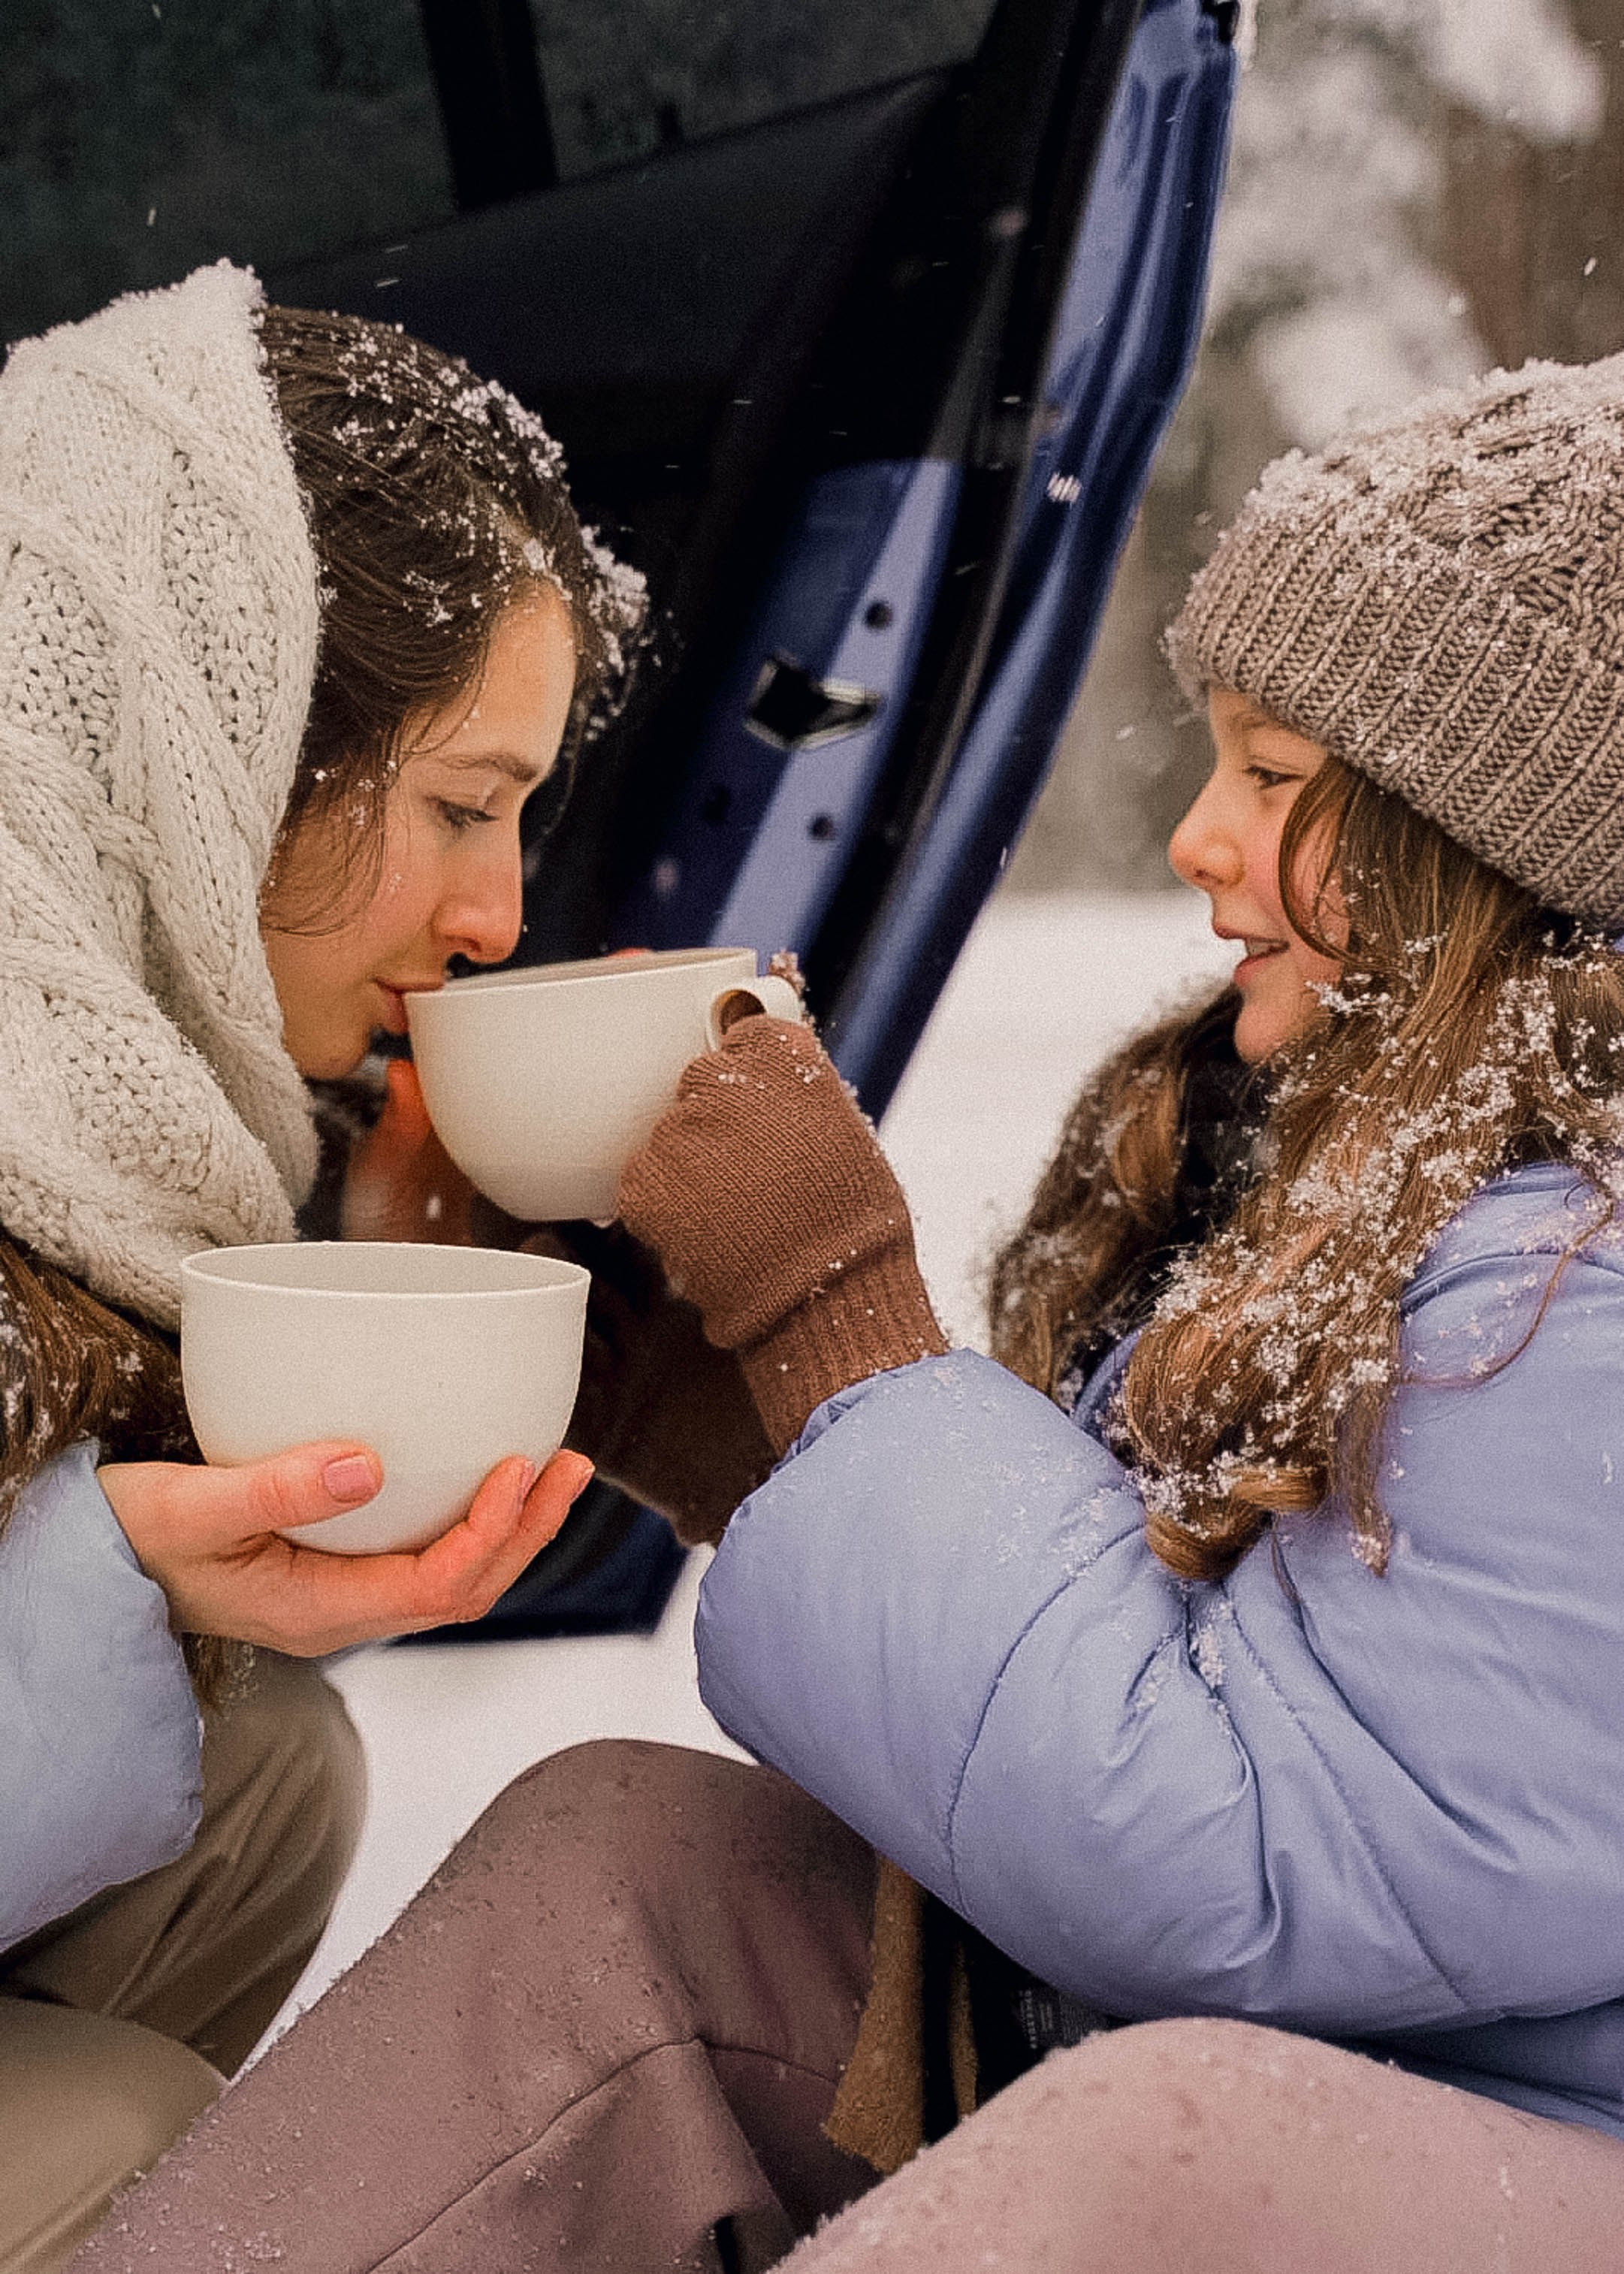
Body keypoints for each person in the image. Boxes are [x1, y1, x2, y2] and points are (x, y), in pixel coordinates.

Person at [62, 358, 1624, 2272]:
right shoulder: (1383, 1170)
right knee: (626, 1878)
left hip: (1517, 2132)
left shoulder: (1582, 1288)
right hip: (1313, 2039)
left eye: (1276, 778)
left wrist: (838, 1311)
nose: (1195, 836)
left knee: (1152, 2145)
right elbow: (1205, 1657)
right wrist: (754, 1407)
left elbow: (1249, 1877)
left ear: (1496, 849)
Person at [0, 261, 644, 2274]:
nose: (499, 909)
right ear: (190, 764)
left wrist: (401, 1277)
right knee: (128, 2140)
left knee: (259, 1768)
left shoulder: (79, 1138)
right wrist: (103, 1580)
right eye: (464, 805)